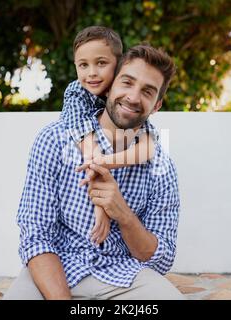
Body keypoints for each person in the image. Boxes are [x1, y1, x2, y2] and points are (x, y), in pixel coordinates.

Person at [4, 43, 184, 300]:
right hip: (56, 268)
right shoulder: (54, 140)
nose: (133, 97)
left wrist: (123, 214)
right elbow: (36, 237)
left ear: (156, 106)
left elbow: (160, 259)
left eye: (147, 91)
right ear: (109, 85)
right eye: (127, 82)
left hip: (124, 274)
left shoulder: (160, 166)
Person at [61, 26, 159, 246]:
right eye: (83, 65)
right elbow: (89, 148)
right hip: (91, 160)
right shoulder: (77, 93)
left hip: (101, 163)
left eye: (101, 63)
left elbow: (149, 146)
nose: (92, 73)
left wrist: (106, 163)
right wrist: (101, 207)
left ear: (119, 65)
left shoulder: (126, 98)